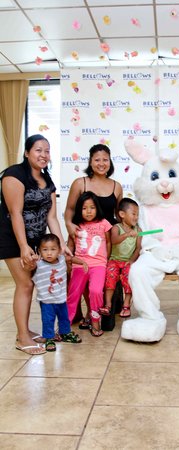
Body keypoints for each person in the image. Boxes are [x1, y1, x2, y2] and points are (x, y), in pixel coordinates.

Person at [0, 134, 71, 355]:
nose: (43, 155)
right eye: (38, 150)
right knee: (26, 284)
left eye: (47, 151)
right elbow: (15, 213)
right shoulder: (13, 175)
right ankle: (22, 338)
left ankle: (26, 331)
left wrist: (61, 245)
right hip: (12, 237)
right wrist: (23, 246)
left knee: (30, 283)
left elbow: (51, 218)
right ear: (27, 152)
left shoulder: (47, 180)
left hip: (35, 239)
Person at [64, 143, 123, 327]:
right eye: (97, 159)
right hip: (81, 237)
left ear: (110, 162)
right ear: (90, 162)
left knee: (103, 277)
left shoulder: (116, 186)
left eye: (105, 159)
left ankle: (102, 310)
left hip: (106, 239)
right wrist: (69, 226)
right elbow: (69, 211)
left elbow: (119, 215)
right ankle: (86, 312)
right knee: (80, 273)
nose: (101, 163)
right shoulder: (80, 183)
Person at [67, 191, 112, 337]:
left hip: (98, 264)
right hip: (80, 264)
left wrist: (106, 260)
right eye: (84, 208)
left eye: (92, 207)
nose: (88, 211)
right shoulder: (76, 226)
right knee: (73, 295)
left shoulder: (104, 223)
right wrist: (69, 262)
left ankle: (95, 321)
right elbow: (70, 246)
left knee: (96, 291)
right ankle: (64, 324)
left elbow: (109, 242)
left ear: (97, 208)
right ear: (79, 209)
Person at [32, 234, 83, 351]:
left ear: (59, 250)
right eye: (45, 250)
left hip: (61, 298)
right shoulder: (38, 264)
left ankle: (65, 333)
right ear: (39, 251)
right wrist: (32, 260)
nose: (49, 253)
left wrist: (82, 262)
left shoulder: (61, 260)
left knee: (64, 317)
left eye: (53, 249)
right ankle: (49, 338)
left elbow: (71, 258)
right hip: (46, 300)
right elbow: (27, 268)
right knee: (48, 320)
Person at [100, 198, 142, 318]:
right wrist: (127, 234)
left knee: (129, 276)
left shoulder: (138, 230)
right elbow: (114, 240)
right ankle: (108, 305)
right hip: (114, 260)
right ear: (122, 214)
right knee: (110, 276)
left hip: (128, 261)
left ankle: (126, 304)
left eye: (137, 215)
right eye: (133, 214)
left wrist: (131, 260)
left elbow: (138, 248)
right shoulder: (116, 228)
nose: (136, 217)